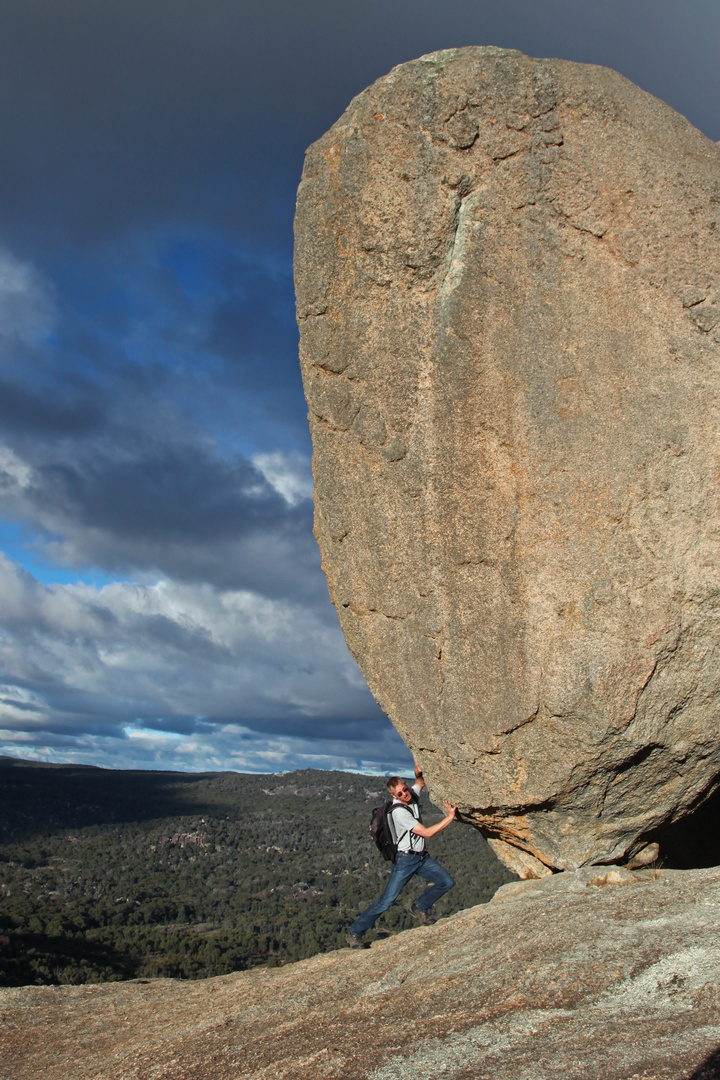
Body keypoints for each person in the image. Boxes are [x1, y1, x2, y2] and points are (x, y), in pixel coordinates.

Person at [346, 761, 456, 948]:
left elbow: (420, 782)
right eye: (400, 793)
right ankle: (355, 933)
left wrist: (417, 768)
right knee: (385, 902)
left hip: (421, 857)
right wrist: (449, 817)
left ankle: (420, 906)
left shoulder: (411, 795)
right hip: (406, 860)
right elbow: (427, 832)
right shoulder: (399, 812)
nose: (405, 794)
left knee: (446, 882)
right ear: (393, 795)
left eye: (405, 789)